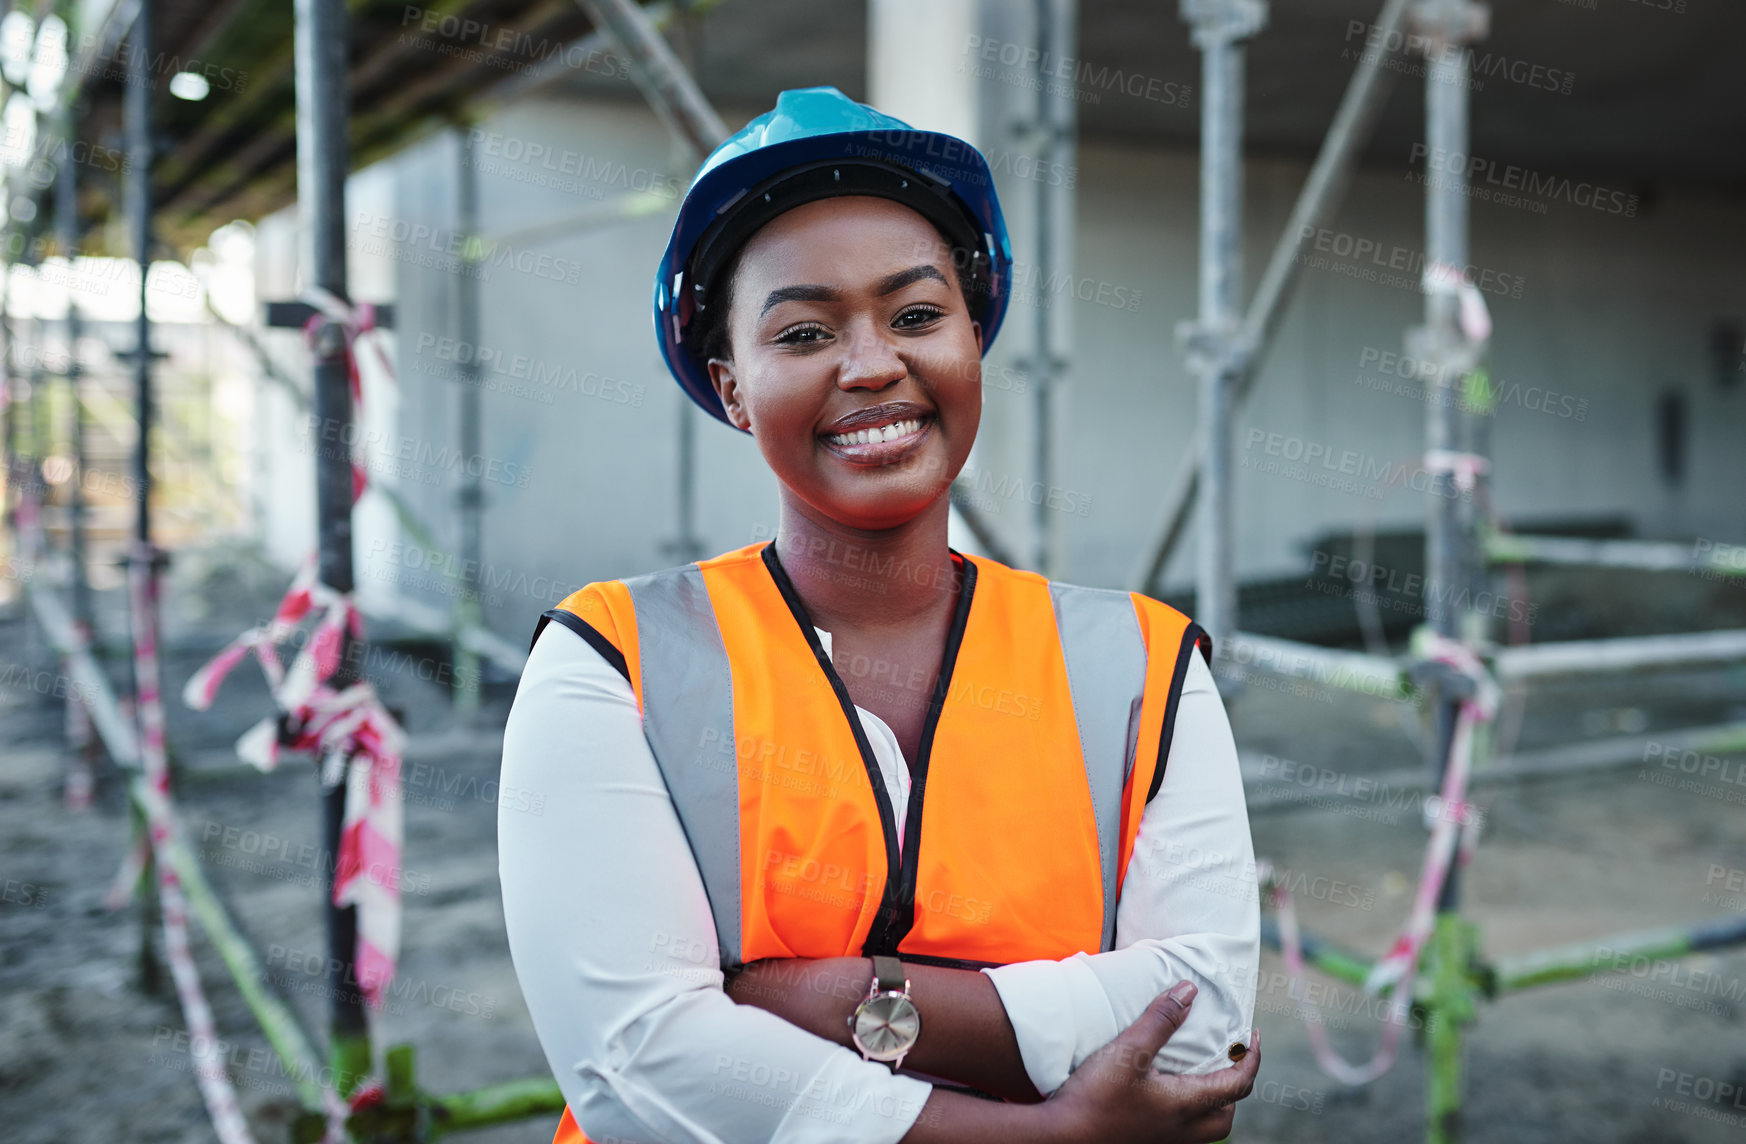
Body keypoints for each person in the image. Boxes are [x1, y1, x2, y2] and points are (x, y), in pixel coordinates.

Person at [498, 86, 1261, 1144]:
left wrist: (837, 1001)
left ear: (973, 340)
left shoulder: (1142, 661)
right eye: (805, 331)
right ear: (731, 385)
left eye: (916, 315)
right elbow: (634, 1064)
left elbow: (1202, 1029)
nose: (872, 365)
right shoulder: (611, 659)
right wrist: (1051, 1135)